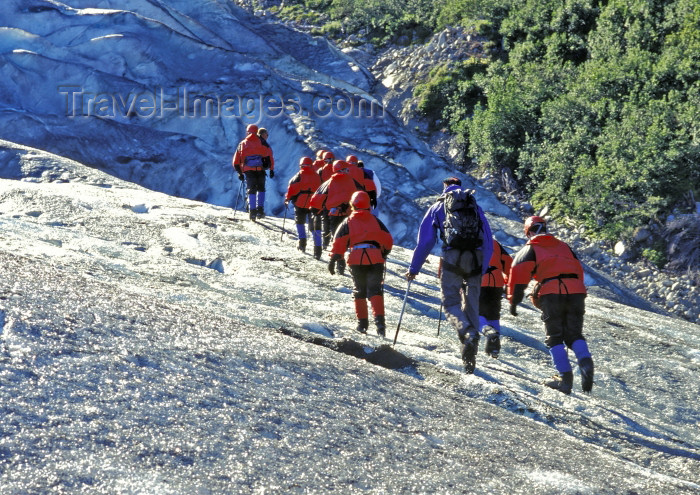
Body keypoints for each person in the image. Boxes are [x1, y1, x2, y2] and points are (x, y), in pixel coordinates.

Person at [406, 177, 493, 374]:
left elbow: (426, 241)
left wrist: (414, 269)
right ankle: (470, 362)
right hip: (476, 259)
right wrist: (483, 268)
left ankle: (468, 333)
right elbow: (489, 240)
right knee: (472, 306)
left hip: (452, 257)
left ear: (444, 187)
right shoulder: (475, 206)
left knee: (451, 303)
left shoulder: (438, 206)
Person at [507, 216, 594, 394]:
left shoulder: (531, 248)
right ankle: (585, 362)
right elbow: (578, 268)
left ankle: (564, 379)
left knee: (554, 337)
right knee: (574, 334)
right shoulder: (563, 246)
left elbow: (517, 273)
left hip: (552, 292)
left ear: (529, 232)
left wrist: (513, 300)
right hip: (576, 292)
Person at [328, 191, 393, 336]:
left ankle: (362, 324)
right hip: (375, 258)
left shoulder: (348, 222)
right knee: (375, 291)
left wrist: (334, 259)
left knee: (359, 291)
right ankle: (380, 325)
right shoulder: (376, 221)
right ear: (368, 205)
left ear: (353, 204)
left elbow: (338, 241)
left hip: (356, 259)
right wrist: (384, 252)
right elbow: (388, 240)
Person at [309, 160, 365, 264]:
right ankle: (349, 261)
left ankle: (340, 262)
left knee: (337, 238)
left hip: (333, 214)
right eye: (346, 169)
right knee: (347, 238)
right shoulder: (353, 181)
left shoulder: (329, 182)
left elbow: (318, 196)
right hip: (349, 214)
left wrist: (315, 209)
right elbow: (362, 195)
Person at [232, 124, 274, 221]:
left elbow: (236, 161)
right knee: (261, 189)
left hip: (248, 170)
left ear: (248, 132)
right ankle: (260, 210)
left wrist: (240, 173)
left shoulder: (242, 144)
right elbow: (270, 156)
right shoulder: (263, 143)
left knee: (251, 190)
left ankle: (252, 212)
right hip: (260, 170)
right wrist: (271, 169)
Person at [479, 238, 512, 358]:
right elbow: (509, 264)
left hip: (478, 280)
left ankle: (488, 332)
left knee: (475, 314)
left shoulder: (465, 239)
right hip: (497, 281)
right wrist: (508, 285)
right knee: (493, 314)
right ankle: (494, 351)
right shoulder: (494, 242)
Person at [285, 156, 323, 258]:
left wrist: (287, 199)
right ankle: (318, 249)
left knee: (300, 222)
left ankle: (302, 244)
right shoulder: (317, 176)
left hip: (300, 203)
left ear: (301, 165)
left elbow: (291, 189)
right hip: (314, 204)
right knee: (316, 227)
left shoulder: (298, 176)